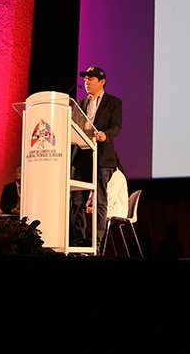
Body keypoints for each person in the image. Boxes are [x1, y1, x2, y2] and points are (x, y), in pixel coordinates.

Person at [70, 65, 122, 247]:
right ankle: (79, 240)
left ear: (102, 81)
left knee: (99, 200)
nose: (86, 82)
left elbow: (116, 126)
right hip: (81, 157)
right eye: (85, 79)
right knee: (77, 200)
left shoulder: (113, 102)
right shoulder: (80, 104)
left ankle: (97, 242)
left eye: (90, 79)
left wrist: (105, 135)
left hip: (101, 157)